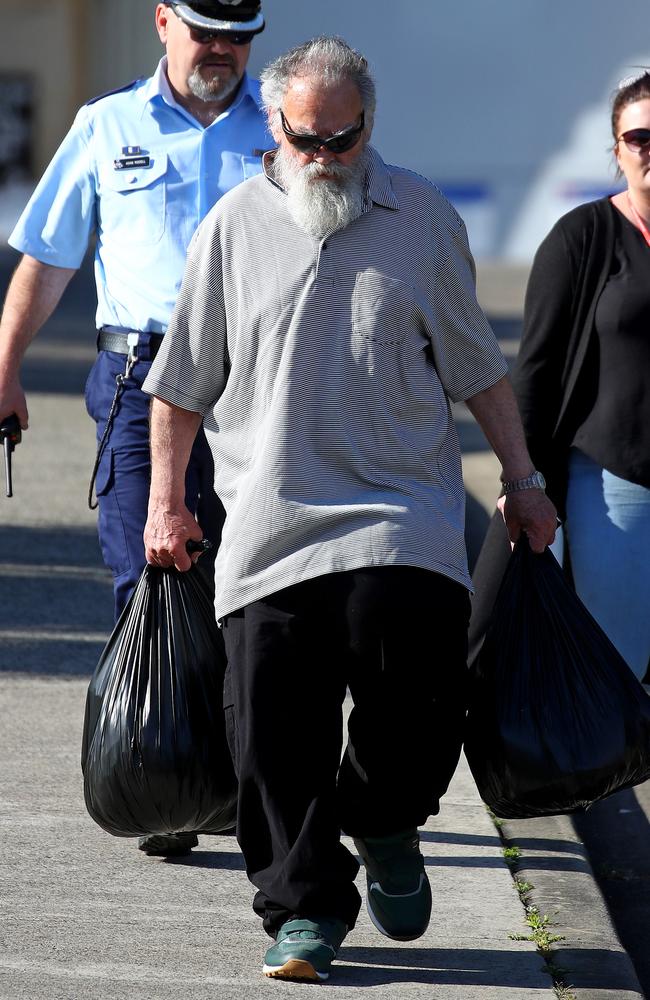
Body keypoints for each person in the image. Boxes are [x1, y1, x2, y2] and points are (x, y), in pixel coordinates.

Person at [141, 36, 557, 983]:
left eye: (344, 139)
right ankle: (303, 913)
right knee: (273, 736)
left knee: (418, 718)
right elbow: (180, 389)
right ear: (276, 126)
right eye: (307, 139)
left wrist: (523, 483)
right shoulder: (233, 228)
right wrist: (167, 506)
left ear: (370, 124)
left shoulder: (421, 217)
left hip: (400, 514)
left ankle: (382, 815)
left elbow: (479, 370)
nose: (325, 157)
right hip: (268, 525)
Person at [0, 0, 272, 857]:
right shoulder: (106, 124)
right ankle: (167, 773)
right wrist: (3, 368)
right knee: (144, 569)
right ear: (163, 23)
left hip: (254, 377)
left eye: (238, 38)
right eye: (206, 34)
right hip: (135, 376)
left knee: (251, 589)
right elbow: (49, 257)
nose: (222, 52)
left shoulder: (284, 123)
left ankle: (238, 781)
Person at [469, 71, 650, 683]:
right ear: (617, 148)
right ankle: (610, 781)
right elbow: (538, 369)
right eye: (640, 136)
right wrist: (522, 480)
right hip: (620, 487)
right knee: (616, 671)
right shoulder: (582, 239)